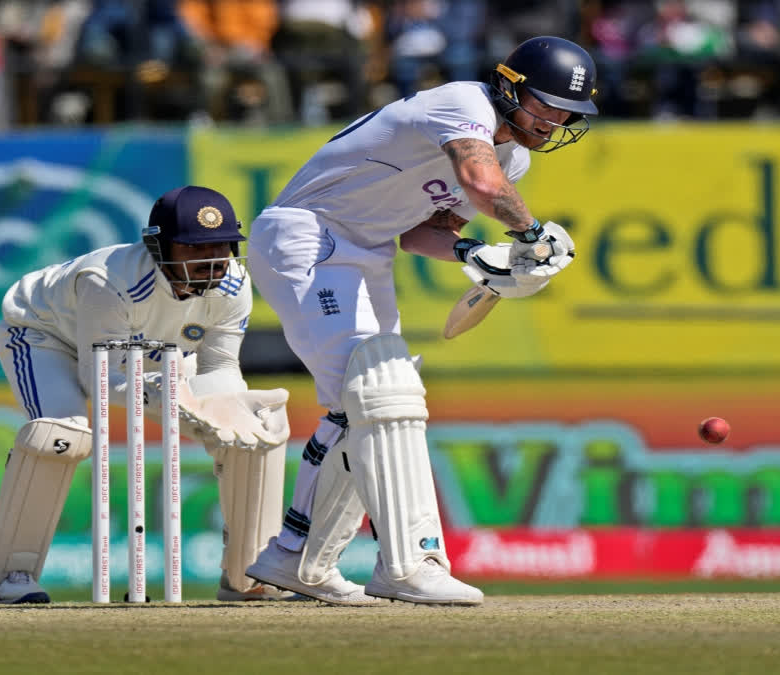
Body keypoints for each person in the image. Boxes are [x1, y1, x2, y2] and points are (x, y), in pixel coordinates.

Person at [243, 36, 595, 605]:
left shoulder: (515, 157)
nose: (554, 121)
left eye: (566, 113)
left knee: (367, 400)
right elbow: (482, 184)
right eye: (545, 104)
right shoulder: (463, 104)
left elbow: (421, 232)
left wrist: (476, 255)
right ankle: (409, 563)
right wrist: (531, 235)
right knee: (380, 390)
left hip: (369, 249)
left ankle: (297, 559)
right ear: (509, 88)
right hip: (309, 233)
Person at [0, 185, 292, 604]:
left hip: (153, 349)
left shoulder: (233, 285)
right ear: (158, 246)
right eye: (195, 248)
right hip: (47, 336)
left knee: (248, 433)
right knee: (60, 435)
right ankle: (11, 575)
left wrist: (225, 417)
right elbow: (102, 380)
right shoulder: (108, 281)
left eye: (222, 246)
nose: (212, 260)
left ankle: (247, 575)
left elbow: (219, 367)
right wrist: (164, 396)